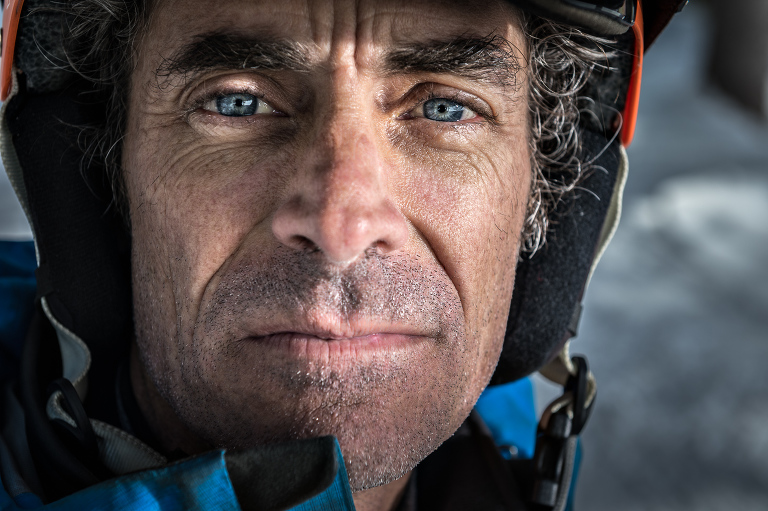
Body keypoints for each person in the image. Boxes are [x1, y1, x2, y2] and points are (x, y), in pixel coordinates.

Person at [0, 0, 686, 509]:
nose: (341, 224)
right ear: (97, 177)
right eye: (237, 102)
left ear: (549, 195)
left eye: (445, 108)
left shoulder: (503, 466)